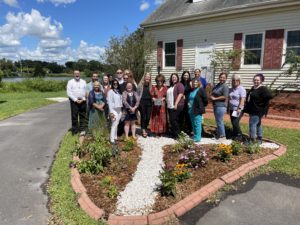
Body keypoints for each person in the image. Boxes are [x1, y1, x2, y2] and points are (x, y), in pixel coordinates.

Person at [244, 73, 273, 143]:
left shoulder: (263, 89)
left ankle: (252, 140)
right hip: (252, 109)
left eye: (257, 80)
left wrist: (261, 103)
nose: (256, 81)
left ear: (261, 81)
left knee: (252, 124)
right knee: (258, 123)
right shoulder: (253, 87)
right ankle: (259, 138)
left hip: (258, 110)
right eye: (254, 80)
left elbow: (269, 96)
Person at [67, 70, 87, 136]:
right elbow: (69, 92)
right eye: (75, 73)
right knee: (74, 116)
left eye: (78, 73)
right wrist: (75, 100)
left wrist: (83, 99)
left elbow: (86, 92)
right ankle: (75, 130)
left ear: (80, 74)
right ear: (73, 74)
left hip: (83, 101)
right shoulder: (70, 82)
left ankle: (82, 130)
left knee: (82, 115)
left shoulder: (84, 81)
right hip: (74, 102)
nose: (77, 75)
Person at [211, 72, 229, 140]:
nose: (222, 79)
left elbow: (225, 96)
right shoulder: (218, 85)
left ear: (226, 79)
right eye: (221, 77)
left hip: (221, 106)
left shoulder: (225, 86)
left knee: (219, 121)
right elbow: (213, 92)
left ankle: (223, 136)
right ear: (219, 77)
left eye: (224, 77)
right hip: (216, 105)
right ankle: (219, 135)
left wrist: (215, 98)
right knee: (218, 120)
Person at [167, 73, 185, 138]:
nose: (173, 78)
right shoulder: (171, 86)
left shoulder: (179, 85)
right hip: (170, 106)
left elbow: (180, 94)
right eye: (172, 77)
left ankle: (178, 135)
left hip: (177, 105)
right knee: (172, 120)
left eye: (175, 77)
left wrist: (176, 104)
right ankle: (174, 133)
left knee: (174, 120)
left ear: (177, 78)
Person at [229, 74, 246, 141]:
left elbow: (242, 99)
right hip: (231, 109)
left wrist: (239, 108)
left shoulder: (241, 89)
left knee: (235, 122)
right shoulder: (231, 89)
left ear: (239, 81)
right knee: (233, 122)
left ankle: (240, 135)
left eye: (236, 80)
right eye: (233, 80)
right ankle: (235, 134)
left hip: (237, 109)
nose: (235, 81)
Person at [107, 79, 123, 143]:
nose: (115, 85)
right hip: (113, 110)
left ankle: (115, 137)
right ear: (112, 84)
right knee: (114, 124)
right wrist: (111, 112)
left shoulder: (119, 91)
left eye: (116, 83)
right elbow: (109, 102)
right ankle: (112, 139)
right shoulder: (110, 92)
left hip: (119, 110)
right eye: (114, 83)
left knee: (117, 124)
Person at [138, 72, 152, 137]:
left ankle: (145, 127)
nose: (148, 77)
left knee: (148, 117)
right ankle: (143, 130)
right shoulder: (140, 85)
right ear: (144, 77)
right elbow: (137, 95)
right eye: (146, 76)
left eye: (149, 76)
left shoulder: (151, 86)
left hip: (149, 102)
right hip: (142, 102)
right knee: (143, 116)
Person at [179, 70, 192, 134]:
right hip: (181, 101)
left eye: (187, 75)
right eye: (184, 75)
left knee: (188, 117)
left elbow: (192, 91)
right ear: (182, 76)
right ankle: (181, 130)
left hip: (188, 102)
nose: (186, 76)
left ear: (189, 76)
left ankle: (190, 130)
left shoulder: (190, 83)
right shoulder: (180, 83)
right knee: (181, 116)